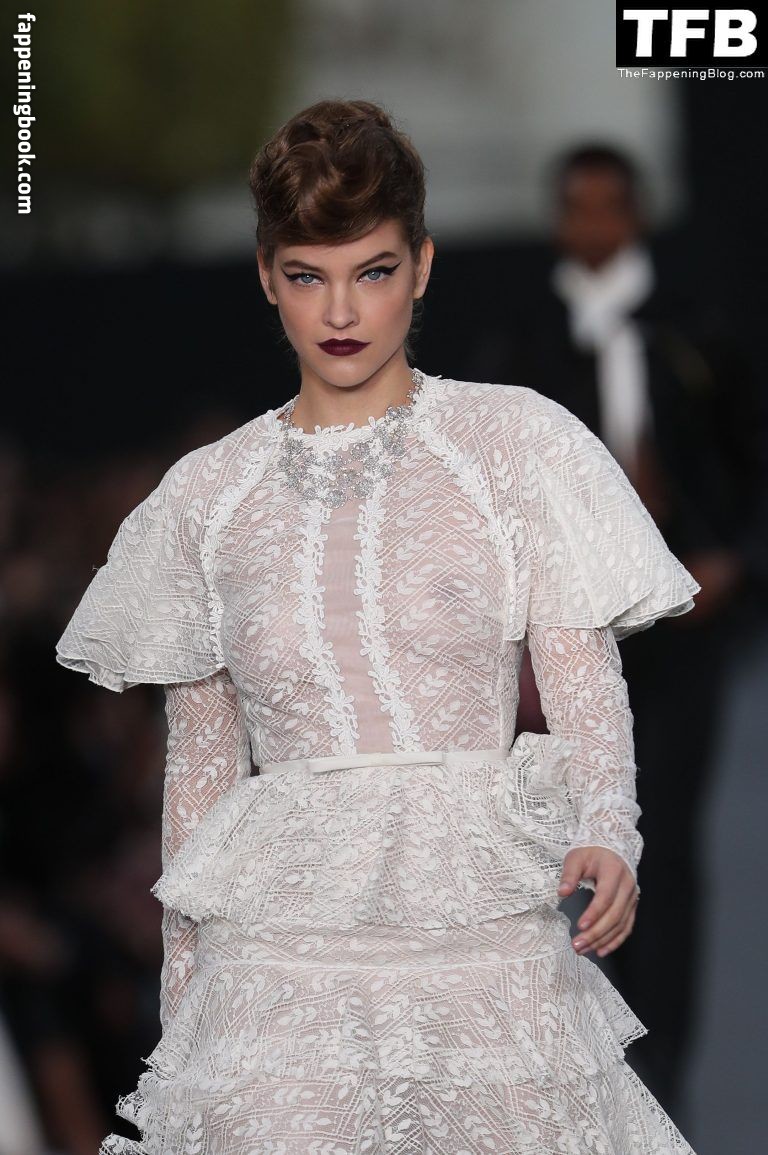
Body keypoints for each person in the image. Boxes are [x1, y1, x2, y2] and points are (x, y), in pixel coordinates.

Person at [55, 99, 702, 1154]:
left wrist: (607, 827)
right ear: (266, 275)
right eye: (308, 275)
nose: (342, 310)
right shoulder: (206, 499)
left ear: (424, 265)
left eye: (375, 271)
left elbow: (584, 681)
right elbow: (201, 776)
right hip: (279, 965)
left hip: (480, 943)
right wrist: (187, 1018)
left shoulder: (514, 446)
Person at [465, 140, 767, 1117]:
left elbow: (748, 466)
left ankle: (663, 1054)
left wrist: (730, 561)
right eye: (577, 206)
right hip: (573, 639)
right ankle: (611, 1045)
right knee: (586, 840)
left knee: (665, 837)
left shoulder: (695, 332)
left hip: (681, 628)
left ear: (634, 215)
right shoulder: (522, 345)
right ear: (559, 218)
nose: (593, 223)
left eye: (608, 205)